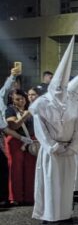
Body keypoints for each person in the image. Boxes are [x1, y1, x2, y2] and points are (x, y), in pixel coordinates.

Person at [29, 44, 78, 223]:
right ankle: (50, 215)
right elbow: (40, 129)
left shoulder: (72, 104)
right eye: (57, 85)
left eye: (62, 86)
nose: (60, 89)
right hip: (52, 151)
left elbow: (77, 127)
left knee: (66, 184)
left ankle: (65, 214)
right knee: (51, 182)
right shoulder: (41, 104)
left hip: (68, 151)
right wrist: (53, 146)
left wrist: (73, 147)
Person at [5, 89, 37, 205]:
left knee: (31, 168)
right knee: (16, 169)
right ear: (12, 100)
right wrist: (25, 115)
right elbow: (13, 126)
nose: (21, 101)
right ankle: (16, 197)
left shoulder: (31, 108)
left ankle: (30, 197)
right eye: (17, 99)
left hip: (31, 141)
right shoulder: (10, 110)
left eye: (22, 98)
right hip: (16, 141)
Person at [0, 65, 22, 205]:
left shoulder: (1, 96)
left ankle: (5, 197)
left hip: (4, 135)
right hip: (5, 132)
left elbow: (6, 88)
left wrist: (13, 76)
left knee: (5, 165)